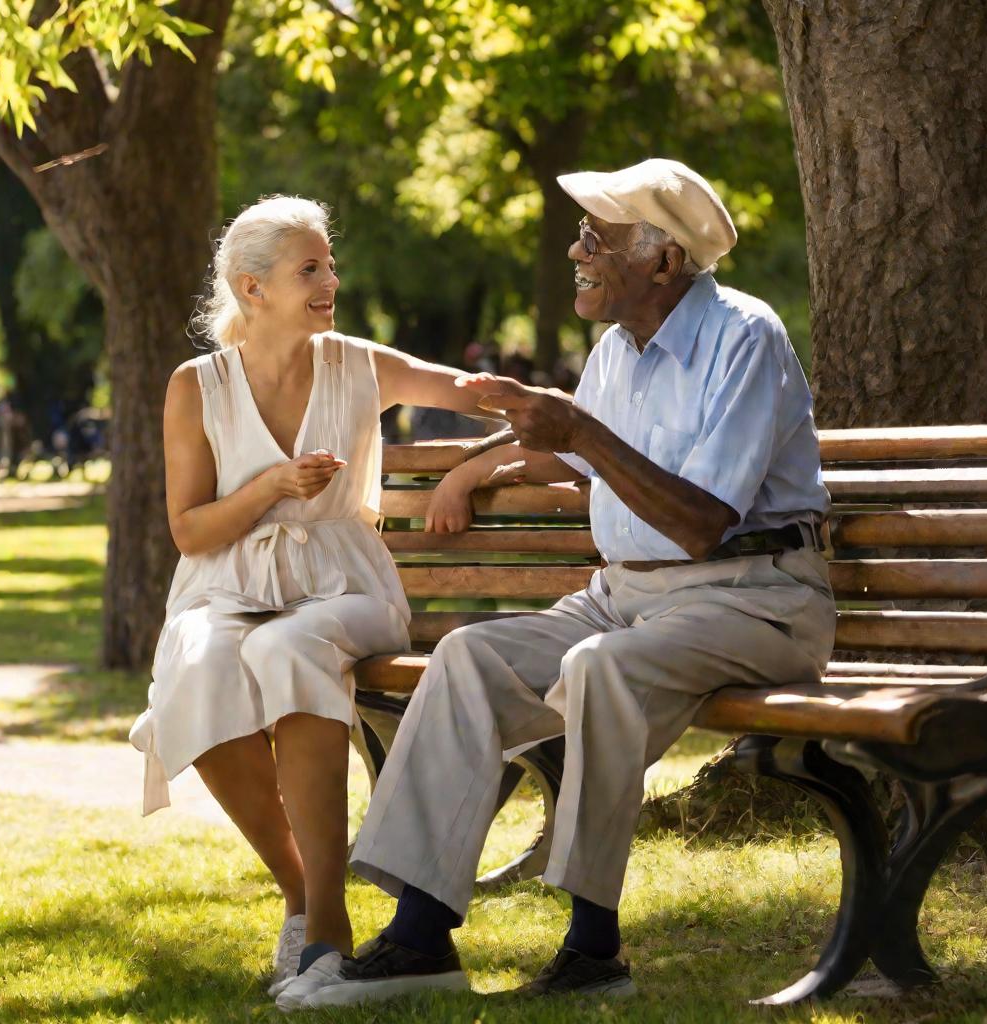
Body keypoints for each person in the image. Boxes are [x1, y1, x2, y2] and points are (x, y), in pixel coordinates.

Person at [284, 159, 837, 1011]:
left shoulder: (745, 338)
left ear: (663, 262)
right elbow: (572, 450)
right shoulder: (621, 347)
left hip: (756, 596)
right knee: (468, 655)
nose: (577, 247)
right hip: (626, 596)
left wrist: (578, 424)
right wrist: (480, 467)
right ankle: (420, 938)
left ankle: (592, 950)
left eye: (598, 234)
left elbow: (701, 522)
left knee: (600, 668)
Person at [127, 195, 500, 1010]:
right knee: (193, 666)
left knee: (287, 647)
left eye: (329, 263)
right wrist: (267, 487)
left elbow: (482, 396)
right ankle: (301, 894)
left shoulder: (358, 363)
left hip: (344, 586)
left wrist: (480, 458)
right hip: (226, 581)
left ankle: (328, 929)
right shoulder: (196, 387)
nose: (331, 280)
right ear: (250, 288)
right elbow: (190, 531)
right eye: (311, 269)